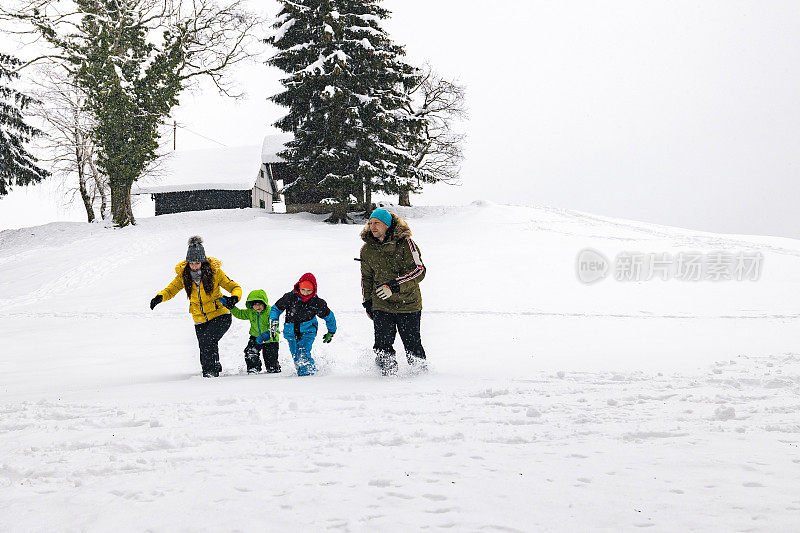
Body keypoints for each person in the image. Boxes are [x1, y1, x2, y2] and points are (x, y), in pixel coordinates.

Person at [150, 236, 242, 377]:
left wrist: (234, 298)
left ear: (203, 261)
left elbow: (234, 286)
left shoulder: (214, 272)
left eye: (197, 263)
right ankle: (213, 367)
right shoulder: (184, 275)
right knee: (205, 345)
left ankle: (210, 373)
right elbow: (171, 290)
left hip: (220, 314)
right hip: (199, 318)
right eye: (191, 263)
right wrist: (159, 297)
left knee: (207, 340)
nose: (194, 266)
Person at [360, 208, 427, 375]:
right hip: (381, 304)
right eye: (370, 223)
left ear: (387, 225)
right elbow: (366, 278)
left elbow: (419, 271)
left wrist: (394, 286)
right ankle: (386, 376)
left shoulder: (406, 244)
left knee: (412, 344)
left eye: (377, 223)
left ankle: (421, 375)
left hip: (408, 303)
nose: (372, 226)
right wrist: (368, 302)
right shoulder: (367, 249)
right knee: (382, 344)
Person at [269, 273, 336, 376]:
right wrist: (274, 321)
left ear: (314, 290)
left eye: (309, 290)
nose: (305, 293)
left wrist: (331, 331)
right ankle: (305, 372)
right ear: (298, 287)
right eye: (303, 289)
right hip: (290, 332)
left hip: (308, 331)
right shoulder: (290, 297)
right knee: (296, 356)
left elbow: (329, 317)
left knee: (303, 353)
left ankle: (308, 376)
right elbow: (275, 309)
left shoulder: (317, 303)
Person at [228, 289, 281, 374]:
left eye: (259, 304)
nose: (257, 307)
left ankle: (273, 368)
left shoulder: (270, 311)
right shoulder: (251, 312)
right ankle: (253, 368)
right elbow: (240, 314)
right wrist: (231, 307)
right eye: (254, 305)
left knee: (270, 357)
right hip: (255, 337)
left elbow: (275, 323)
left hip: (270, 339)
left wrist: (268, 333)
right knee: (250, 351)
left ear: (264, 303)